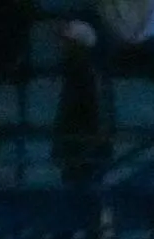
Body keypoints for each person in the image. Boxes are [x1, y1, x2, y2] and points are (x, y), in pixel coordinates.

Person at [54, 21, 114, 187]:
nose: (61, 47)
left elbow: (101, 118)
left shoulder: (90, 76)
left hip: (85, 158)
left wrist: (84, 153)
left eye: (67, 42)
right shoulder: (75, 75)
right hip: (76, 155)